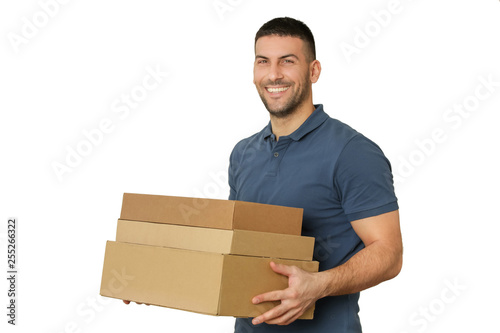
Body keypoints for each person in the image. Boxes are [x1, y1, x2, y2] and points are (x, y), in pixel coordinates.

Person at [228, 17, 403, 332]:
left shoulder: (353, 152)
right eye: (263, 61)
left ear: (313, 71)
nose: (273, 74)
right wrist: (165, 278)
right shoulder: (243, 153)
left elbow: (389, 254)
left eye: (287, 61)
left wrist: (319, 284)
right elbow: (232, 245)